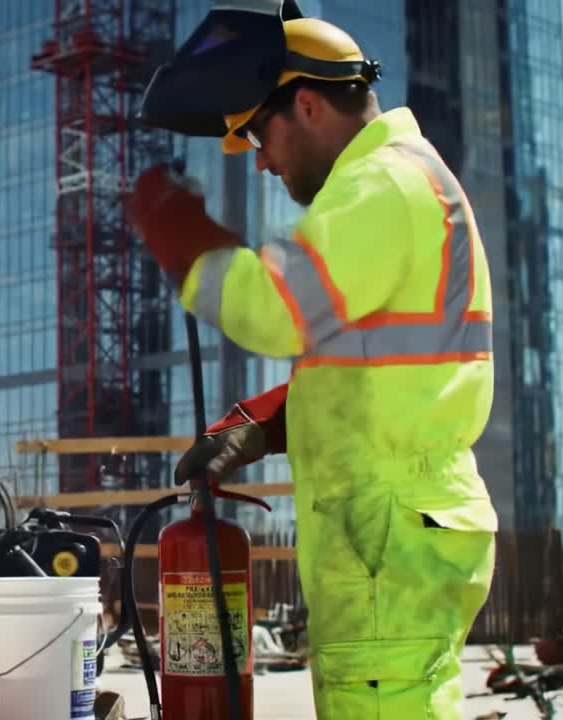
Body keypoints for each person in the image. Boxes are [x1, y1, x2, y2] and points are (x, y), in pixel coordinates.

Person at [128, 6, 499, 719]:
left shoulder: (382, 184)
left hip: (389, 526)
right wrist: (266, 425)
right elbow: (376, 367)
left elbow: (275, 308)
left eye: (260, 135)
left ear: (305, 103)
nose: (261, 161)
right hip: (391, 523)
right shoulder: (396, 183)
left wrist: (179, 232)